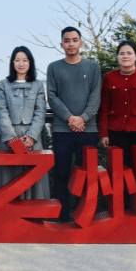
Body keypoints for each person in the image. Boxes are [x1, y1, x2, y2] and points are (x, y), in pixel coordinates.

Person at [47, 26, 102, 222]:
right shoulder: (54, 67)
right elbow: (52, 96)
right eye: (67, 40)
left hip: (88, 129)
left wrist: (83, 118)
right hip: (62, 130)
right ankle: (62, 216)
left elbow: (96, 95)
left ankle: (84, 216)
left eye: (74, 40)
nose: (71, 44)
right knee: (61, 173)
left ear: (81, 43)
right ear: (62, 44)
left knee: (86, 174)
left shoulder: (93, 66)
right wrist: (70, 118)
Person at [0, 46, 48, 199]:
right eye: (17, 60)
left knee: (32, 176)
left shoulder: (38, 85)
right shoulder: (4, 84)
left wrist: (31, 136)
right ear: (12, 63)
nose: (21, 64)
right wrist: (11, 138)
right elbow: (1, 112)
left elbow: (40, 112)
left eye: (25, 60)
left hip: (32, 139)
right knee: (8, 177)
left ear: (30, 63)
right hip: (9, 138)